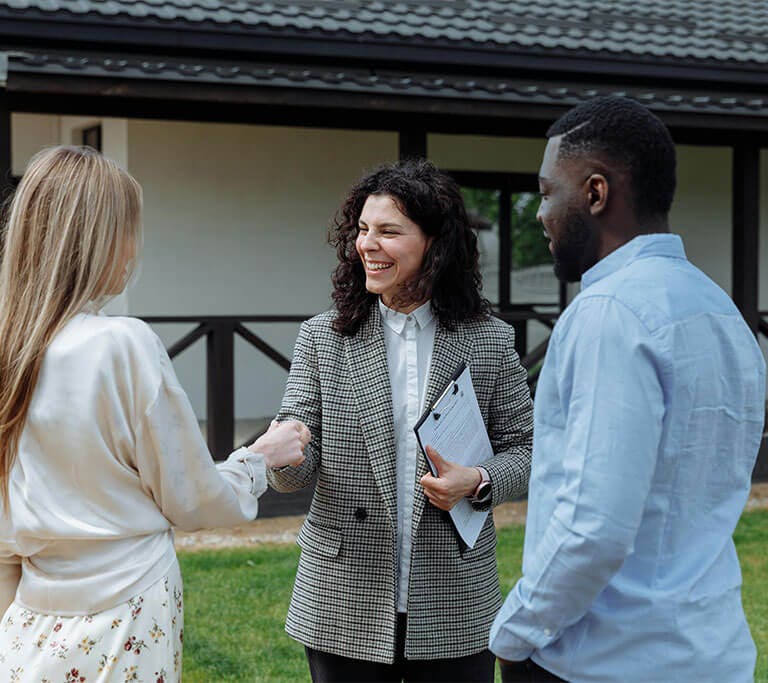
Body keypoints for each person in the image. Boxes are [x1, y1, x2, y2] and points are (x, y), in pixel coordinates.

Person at [0, 146, 309, 682]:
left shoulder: (11, 350)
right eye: (129, 230)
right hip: (126, 610)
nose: (134, 250)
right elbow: (189, 499)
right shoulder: (121, 344)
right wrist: (258, 460)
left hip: (30, 616)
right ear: (98, 240)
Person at [489, 96, 766, 683]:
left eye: (545, 192)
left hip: (600, 662)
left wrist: (515, 634)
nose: (539, 213)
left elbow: (594, 527)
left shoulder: (609, 313)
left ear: (595, 193)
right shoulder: (720, 311)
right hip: (709, 655)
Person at [269, 159, 533, 682]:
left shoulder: (491, 340)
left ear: (435, 243)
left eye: (389, 231)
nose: (368, 244)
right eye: (363, 230)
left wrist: (477, 481)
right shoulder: (323, 338)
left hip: (455, 598)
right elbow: (296, 466)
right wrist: (283, 454)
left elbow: (528, 448)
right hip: (343, 597)